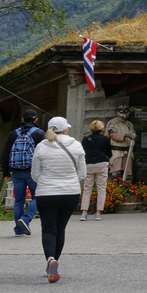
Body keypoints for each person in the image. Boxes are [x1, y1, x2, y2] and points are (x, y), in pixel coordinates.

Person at [31, 117, 85, 283]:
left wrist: (47, 182)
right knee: (60, 229)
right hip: (70, 193)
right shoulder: (76, 145)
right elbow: (82, 174)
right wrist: (70, 182)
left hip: (47, 192)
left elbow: (35, 174)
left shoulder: (41, 146)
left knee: (48, 229)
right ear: (65, 130)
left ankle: (50, 260)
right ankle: (55, 264)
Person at [0, 109, 45, 237]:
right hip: (33, 171)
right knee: (37, 197)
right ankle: (25, 220)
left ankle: (18, 230)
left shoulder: (13, 134)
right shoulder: (39, 134)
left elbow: (5, 153)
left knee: (19, 200)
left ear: (22, 119)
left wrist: (6, 172)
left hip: (17, 172)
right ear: (36, 120)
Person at [80, 119, 112, 221]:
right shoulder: (105, 139)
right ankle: (98, 212)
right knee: (101, 188)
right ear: (101, 129)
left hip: (89, 164)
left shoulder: (86, 139)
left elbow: (83, 151)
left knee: (87, 188)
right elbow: (109, 153)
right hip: (102, 163)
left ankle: (84, 212)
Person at [104, 106, 137, 179]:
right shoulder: (113, 122)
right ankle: (114, 189)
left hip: (127, 151)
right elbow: (112, 134)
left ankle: (127, 189)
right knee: (116, 173)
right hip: (116, 151)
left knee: (128, 174)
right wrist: (126, 135)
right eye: (122, 110)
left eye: (125, 110)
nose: (124, 112)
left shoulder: (129, 124)